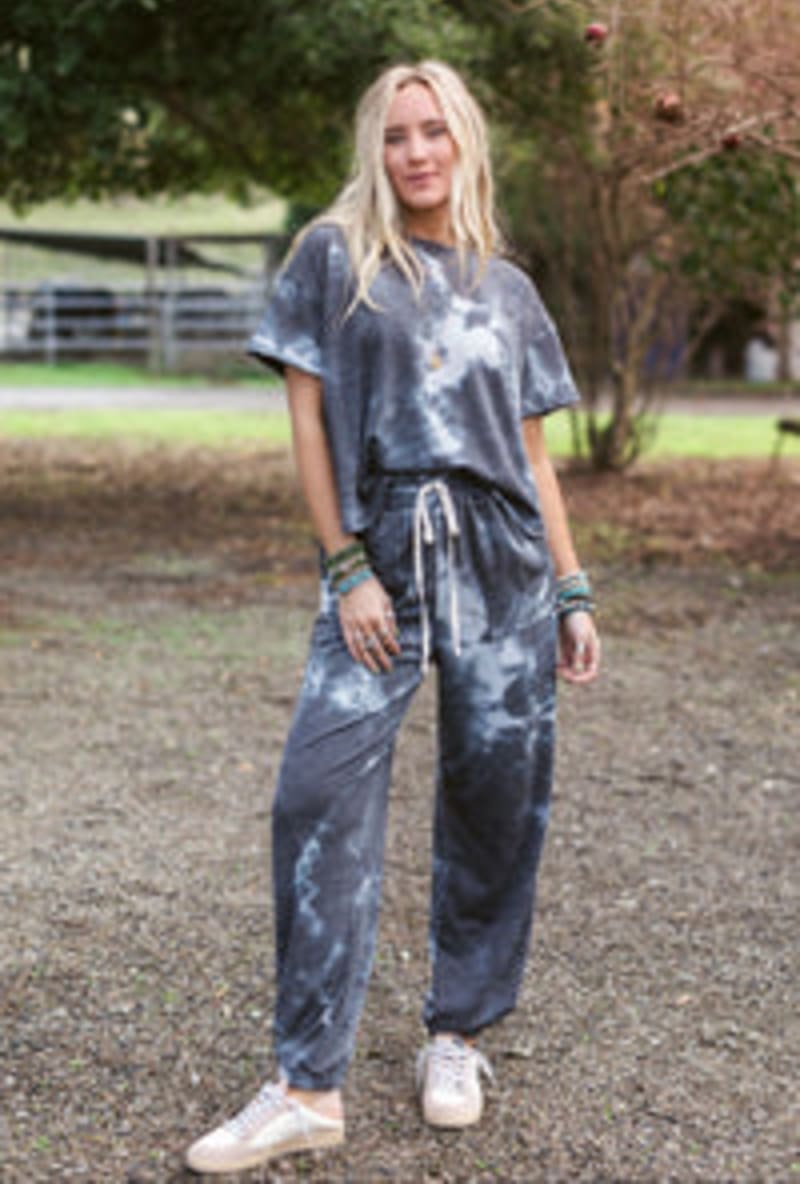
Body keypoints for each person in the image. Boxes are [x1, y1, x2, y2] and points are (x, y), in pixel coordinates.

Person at [185, 58, 600, 1176]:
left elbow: (531, 457)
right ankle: (305, 1086)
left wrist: (570, 589)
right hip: (382, 559)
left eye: (434, 131)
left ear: (464, 143)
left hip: (504, 567)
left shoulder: (507, 290)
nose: (417, 152)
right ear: (375, 149)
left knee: (497, 801)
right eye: (396, 134)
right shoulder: (333, 261)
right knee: (315, 796)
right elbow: (307, 424)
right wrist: (345, 567)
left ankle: (457, 1034)